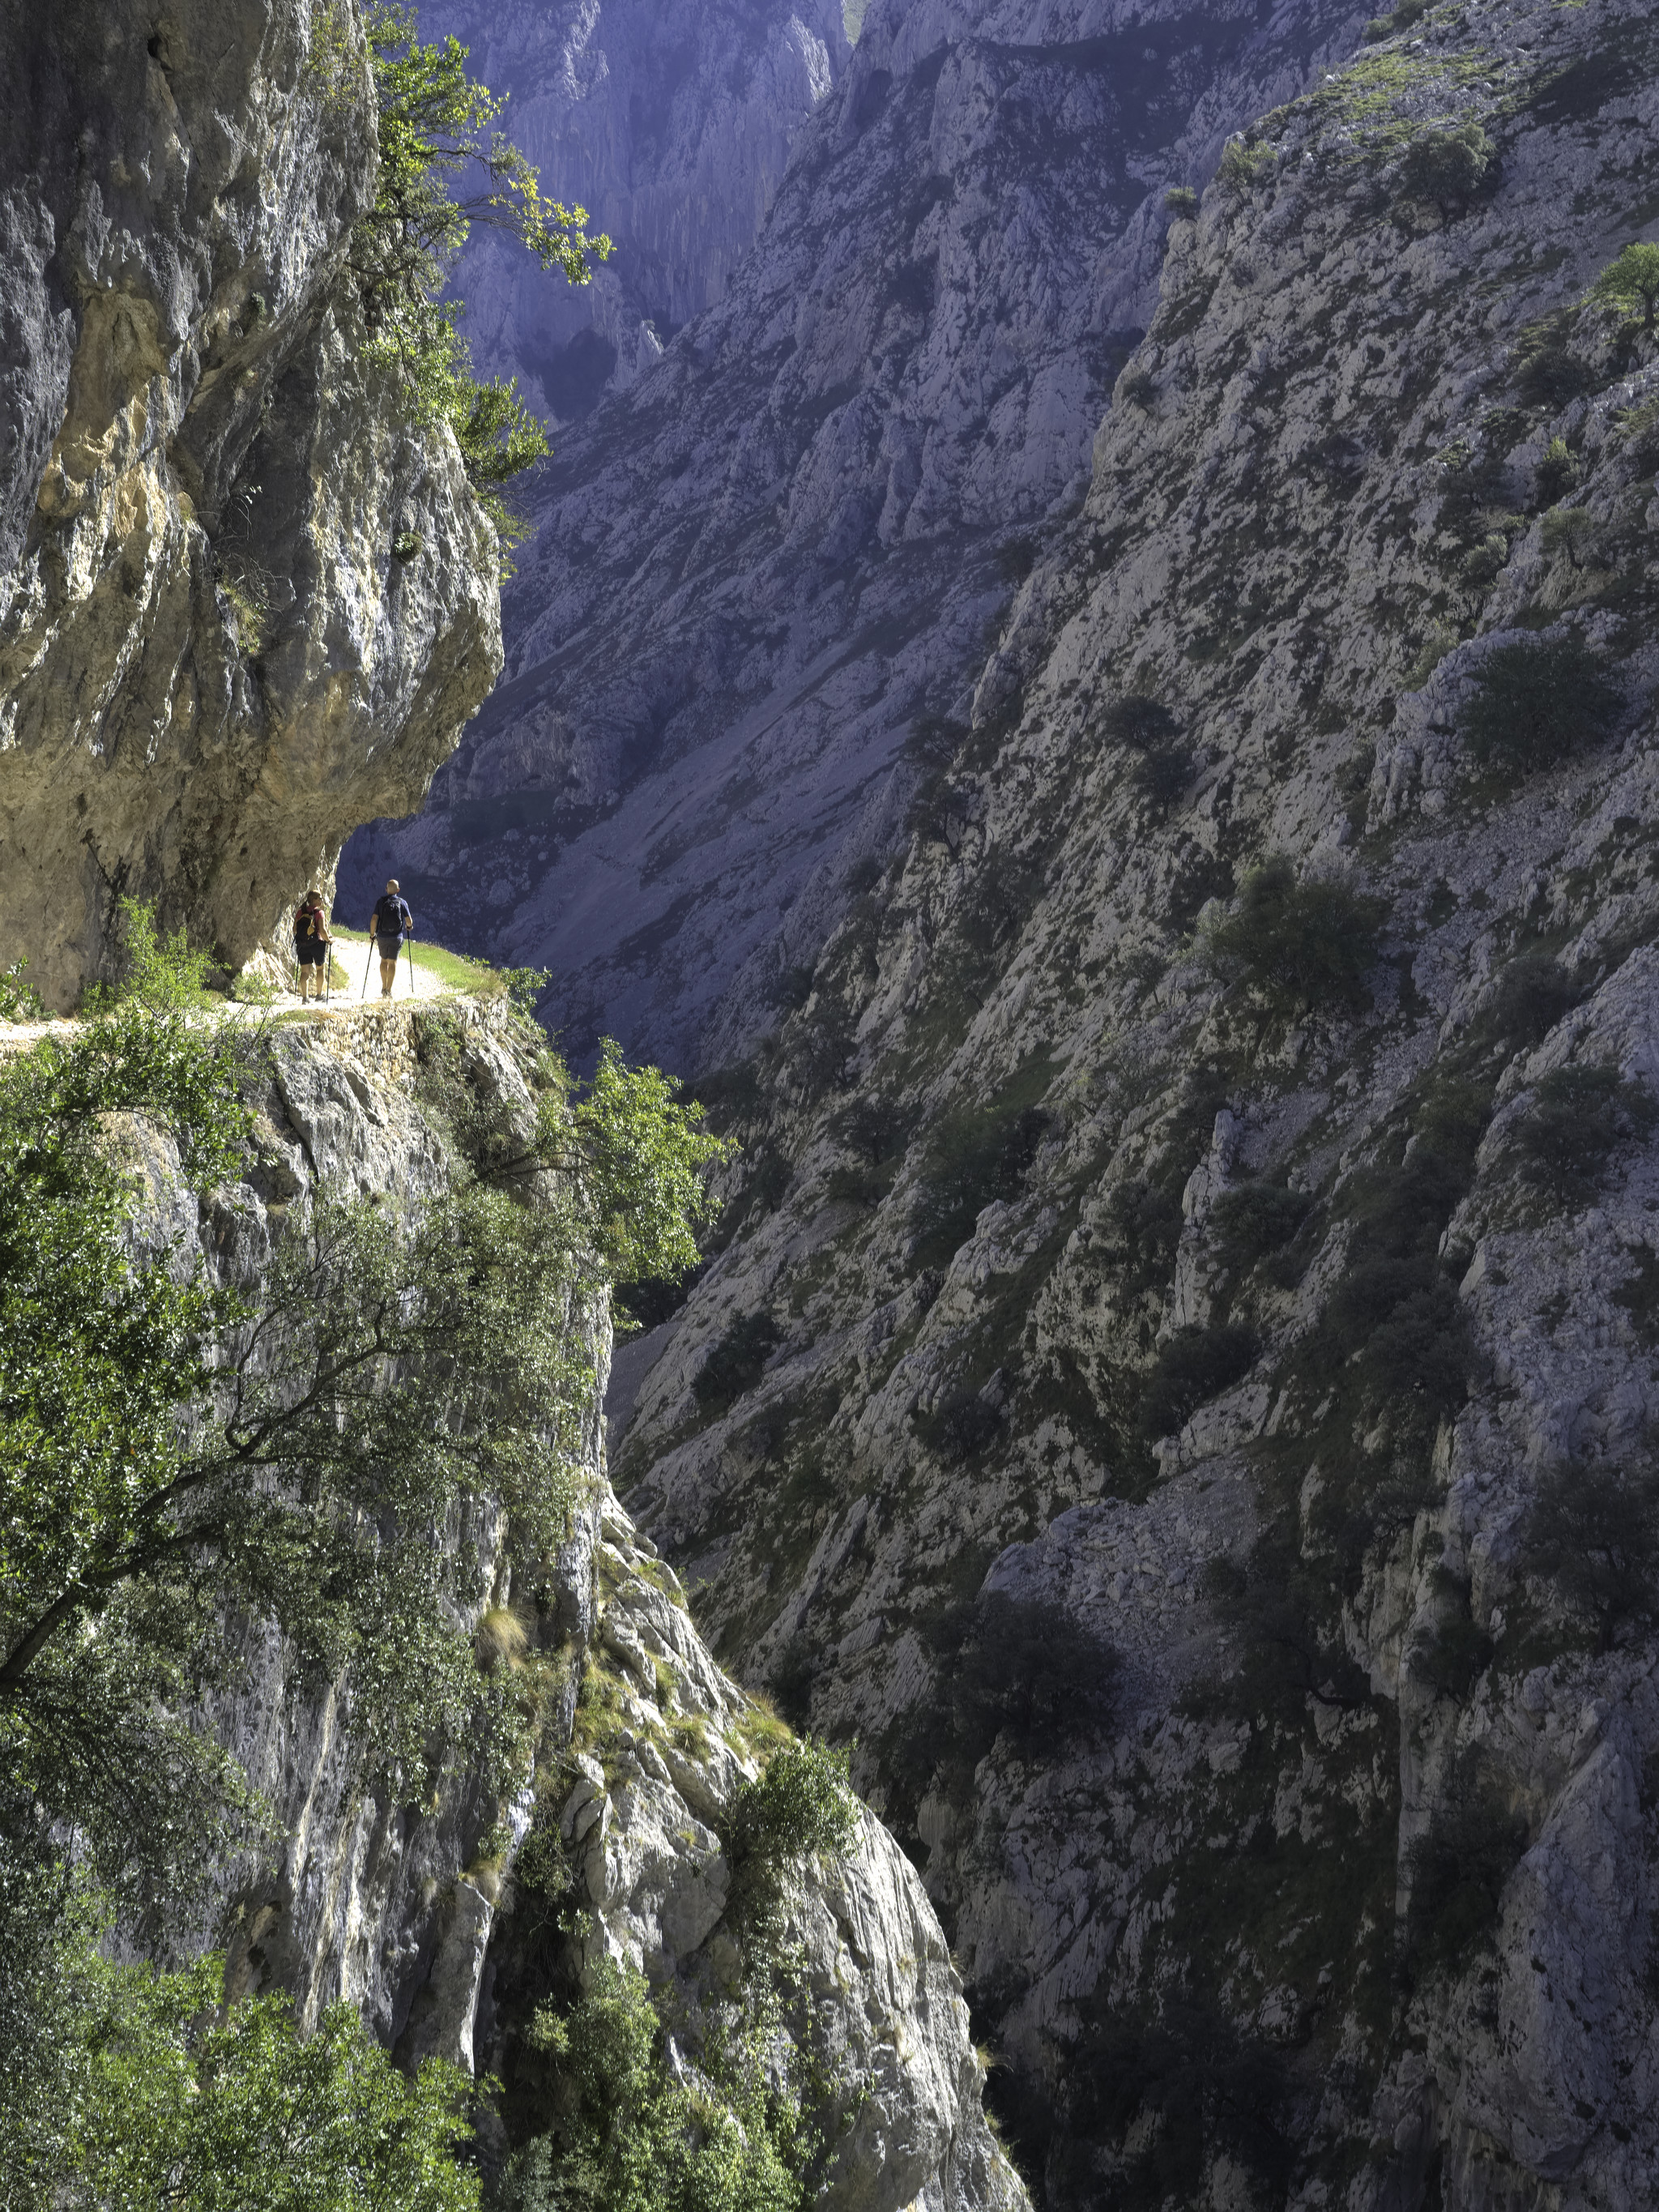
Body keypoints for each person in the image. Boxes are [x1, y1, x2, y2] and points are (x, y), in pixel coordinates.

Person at [369, 879, 414, 998]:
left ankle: (383, 987)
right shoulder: (402, 902)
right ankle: (389, 990)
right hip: (396, 937)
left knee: (383, 961)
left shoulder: (381, 902)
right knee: (392, 962)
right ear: (398, 890)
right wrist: (409, 927)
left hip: (382, 937)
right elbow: (409, 921)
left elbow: (374, 919)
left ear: (386, 889)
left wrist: (372, 934)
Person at [293, 889, 332, 1001]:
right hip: (317, 944)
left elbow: (294, 929)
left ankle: (305, 998)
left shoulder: (301, 911)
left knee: (304, 971)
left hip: (302, 944)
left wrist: (304, 936)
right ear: (314, 900)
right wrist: (329, 940)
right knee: (320, 969)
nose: (322, 900)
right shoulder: (319, 913)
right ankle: (319, 995)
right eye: (320, 898)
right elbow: (323, 931)